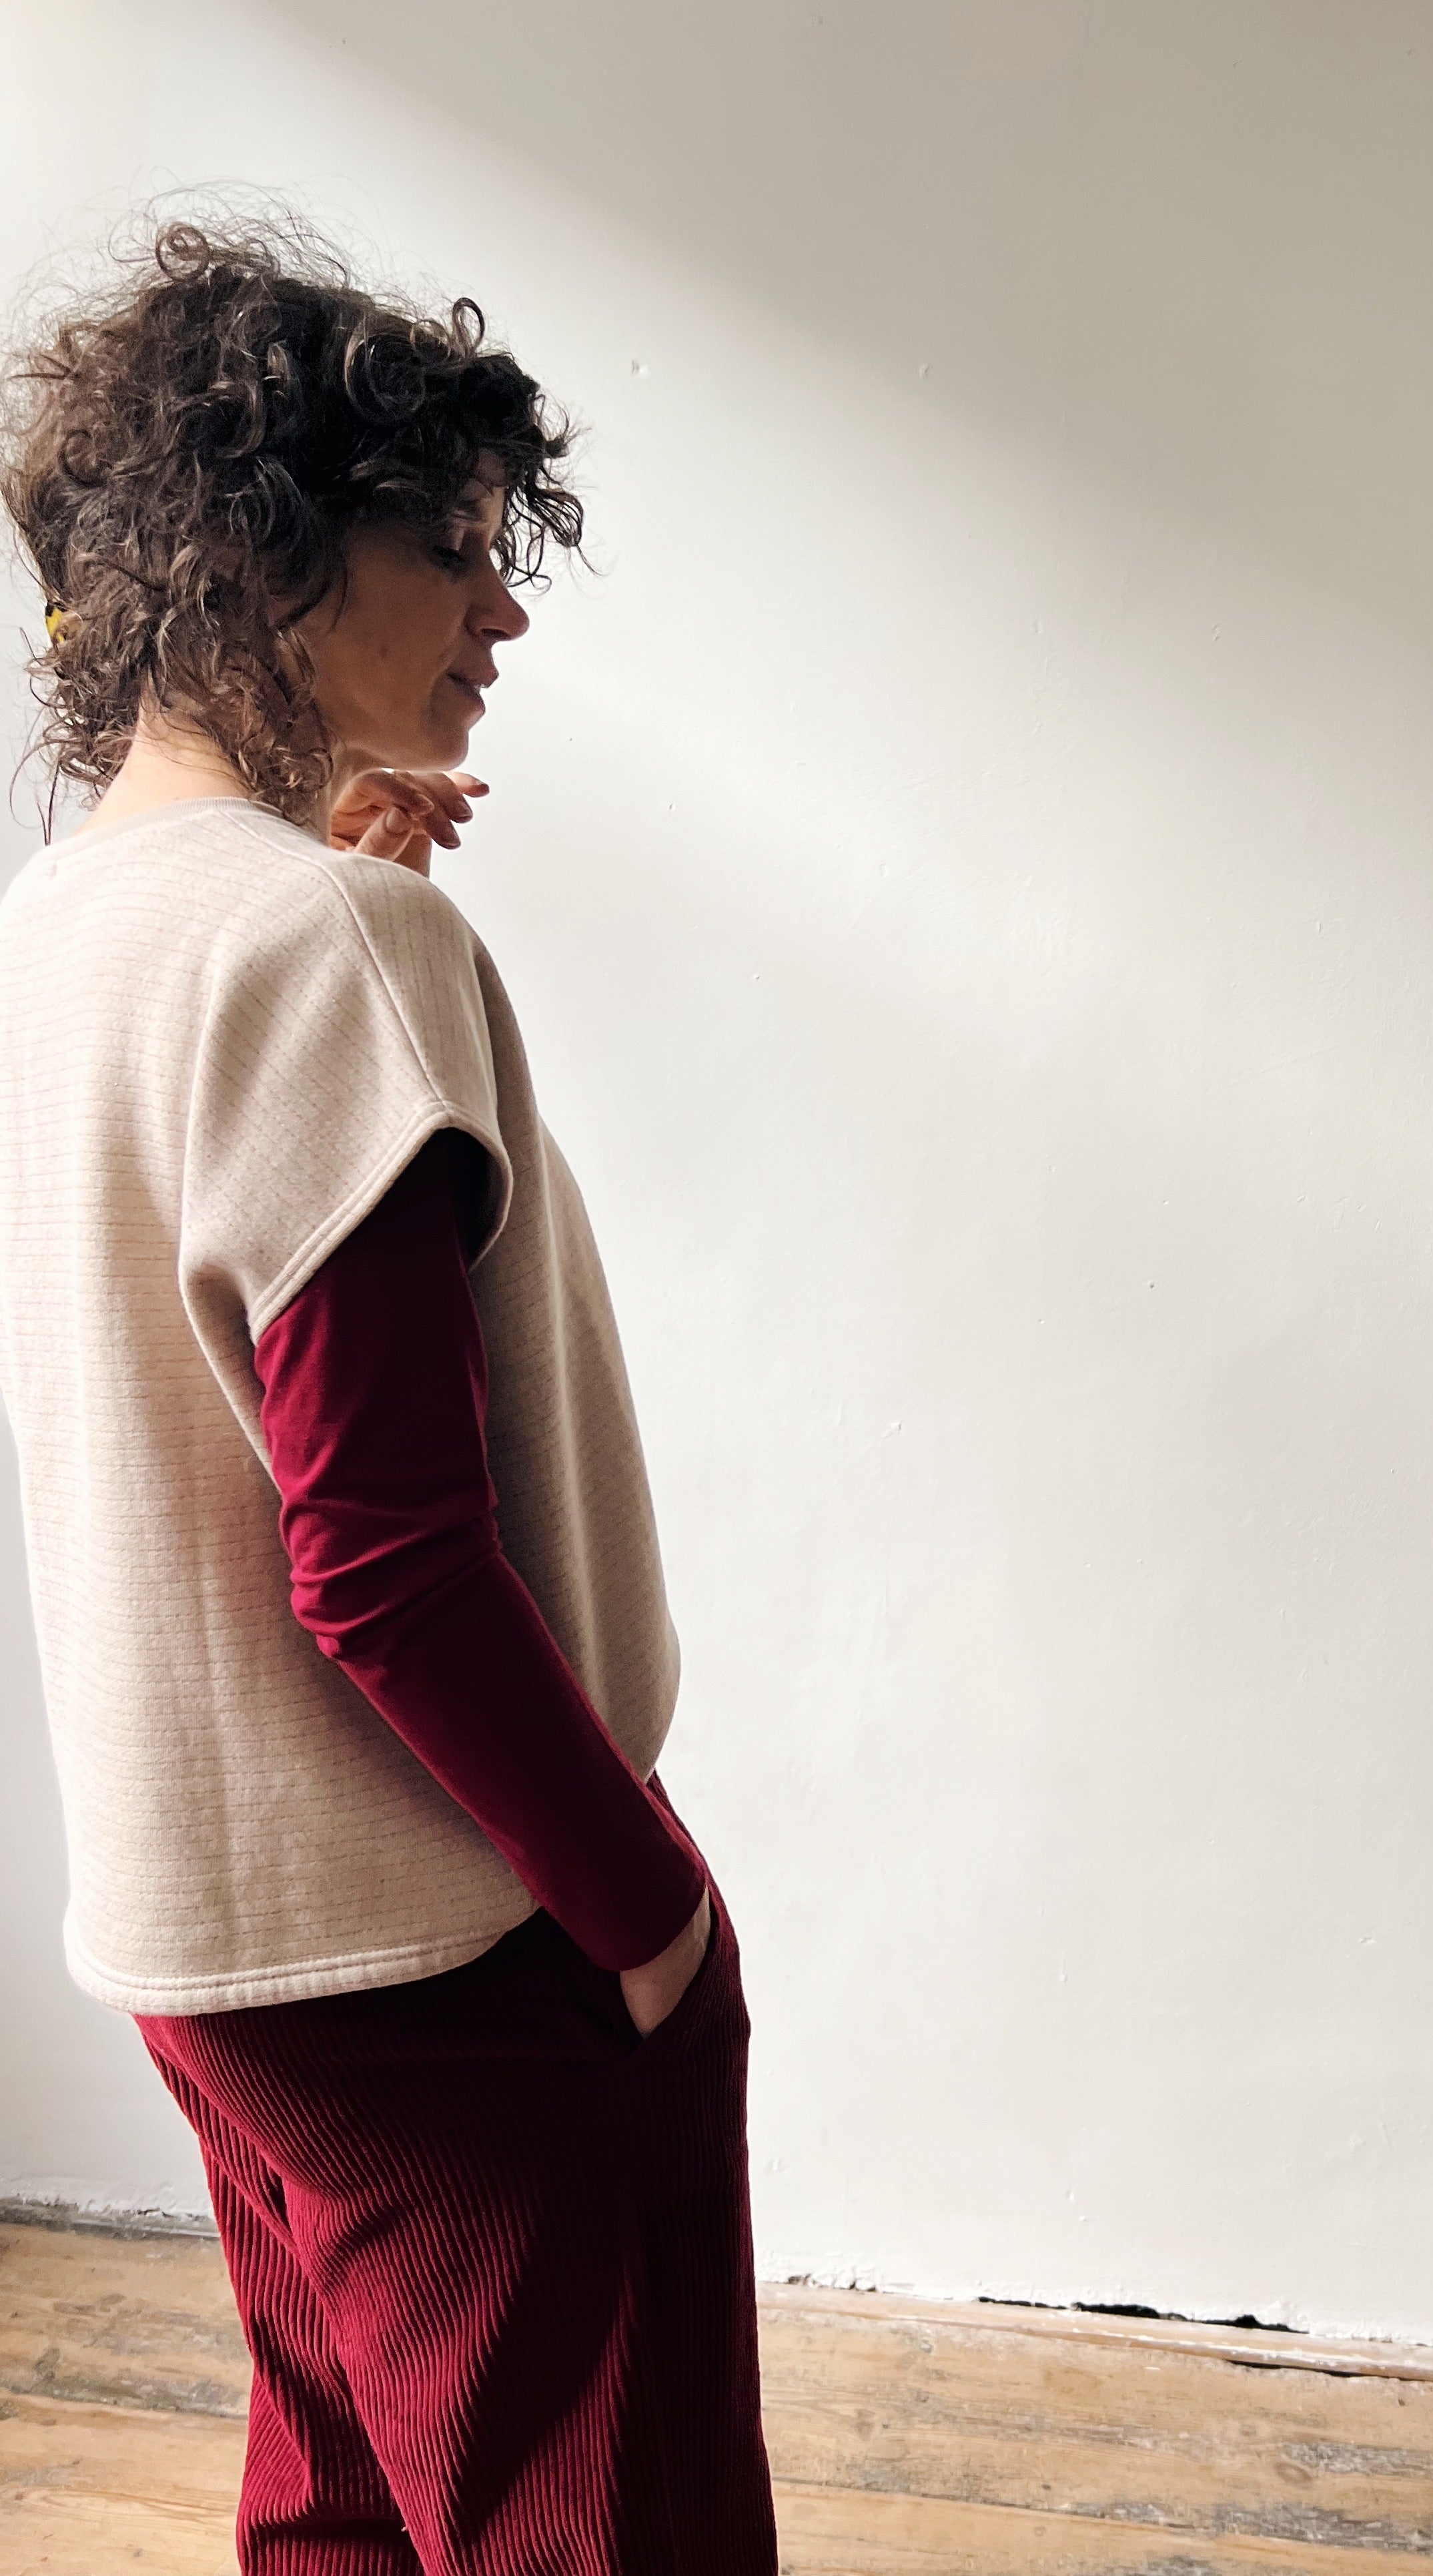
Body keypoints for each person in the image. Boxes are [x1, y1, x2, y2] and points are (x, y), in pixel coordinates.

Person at [0, 213, 778, 2574]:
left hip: (209, 1949)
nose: (502, 613)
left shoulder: (67, 926)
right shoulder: (332, 941)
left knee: (337, 2509)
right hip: (453, 1938)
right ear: (258, 550)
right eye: (449, 547)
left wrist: (320, 874)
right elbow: (389, 1563)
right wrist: (650, 1917)